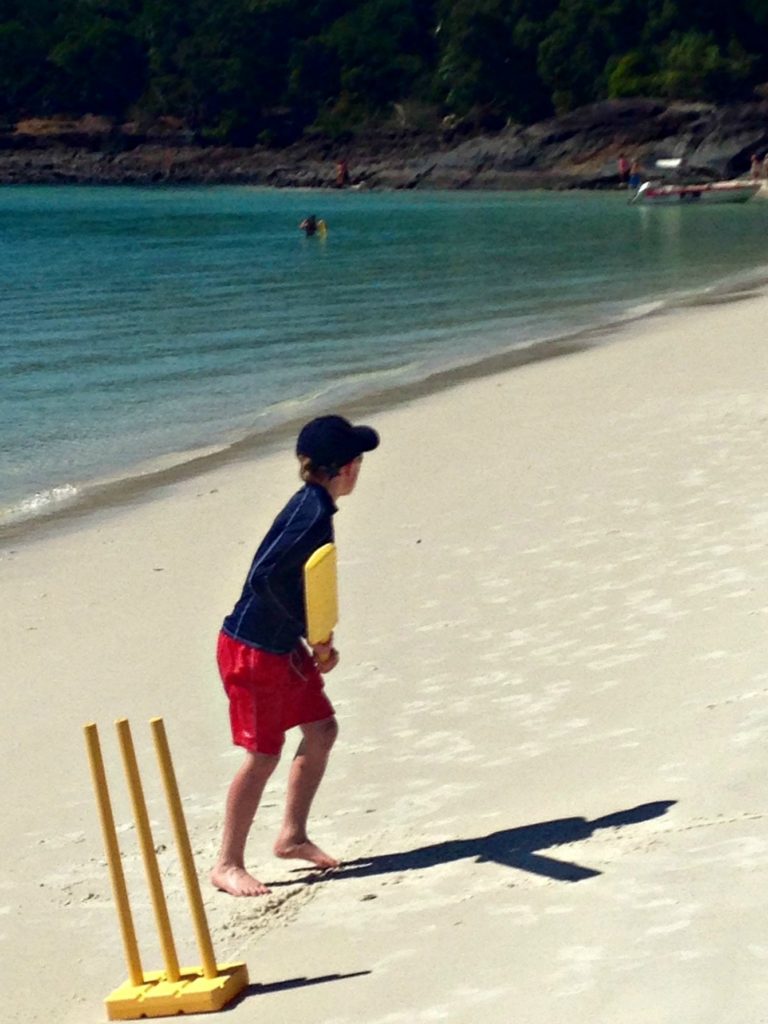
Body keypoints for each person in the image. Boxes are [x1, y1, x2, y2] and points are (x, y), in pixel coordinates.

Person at [211, 414, 380, 897]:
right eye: (359, 461)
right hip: (252, 649)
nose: (360, 469)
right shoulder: (309, 513)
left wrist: (314, 638)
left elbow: (304, 581)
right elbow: (265, 576)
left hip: (283, 645)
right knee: (263, 755)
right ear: (345, 468)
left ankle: (292, 836)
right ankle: (227, 863)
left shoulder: (317, 506)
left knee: (322, 730)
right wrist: (310, 634)